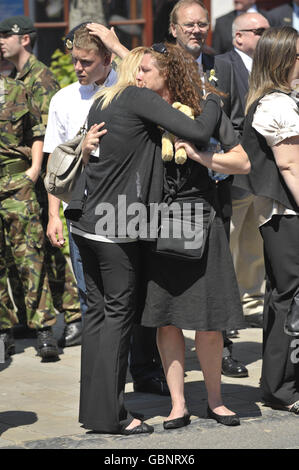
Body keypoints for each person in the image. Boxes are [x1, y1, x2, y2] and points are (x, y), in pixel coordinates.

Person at [65, 43, 245, 435]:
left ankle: (95, 412)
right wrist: (210, 97)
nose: (144, 76)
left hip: (89, 223)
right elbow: (198, 130)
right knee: (117, 319)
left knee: (98, 318)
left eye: (151, 70)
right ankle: (111, 416)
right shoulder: (137, 98)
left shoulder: (103, 99)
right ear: (134, 72)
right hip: (117, 226)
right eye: (141, 69)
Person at [136, 43, 249, 429]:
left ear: (169, 74)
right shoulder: (140, 111)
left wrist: (202, 157)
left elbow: (241, 160)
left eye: (146, 70)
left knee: (209, 318)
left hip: (201, 215)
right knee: (166, 319)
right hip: (155, 220)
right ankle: (178, 404)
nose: (138, 76)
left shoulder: (205, 108)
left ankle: (216, 401)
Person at [169, 0, 248, 378]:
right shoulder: (160, 65)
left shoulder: (223, 66)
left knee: (219, 275)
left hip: (217, 183)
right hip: (172, 191)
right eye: (189, 24)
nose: (197, 30)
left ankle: (223, 349)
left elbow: (234, 119)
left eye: (202, 24)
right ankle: (164, 365)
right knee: (170, 277)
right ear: (173, 29)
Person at [0, 15, 82, 349]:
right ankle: (29, 319)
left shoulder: (41, 78)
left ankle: (73, 315)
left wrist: (40, 175)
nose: (2, 40)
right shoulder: (17, 76)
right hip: (23, 179)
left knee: (46, 248)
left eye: (8, 35)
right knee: (31, 251)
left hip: (39, 175)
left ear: (26, 39)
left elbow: (50, 136)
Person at [233, 26, 299, 414]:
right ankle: (283, 387)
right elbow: (290, 166)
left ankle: (278, 383)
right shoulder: (276, 105)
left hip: (281, 214)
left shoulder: (281, 100)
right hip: (285, 213)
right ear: (282, 60)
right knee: (290, 297)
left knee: (283, 297)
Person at [0, 69, 58, 361]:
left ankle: (43, 329)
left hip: (16, 186)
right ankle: (2, 333)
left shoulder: (17, 89)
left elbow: (37, 133)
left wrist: (34, 170)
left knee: (30, 258)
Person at [218, 12, 270, 328]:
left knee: (254, 240)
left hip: (263, 170)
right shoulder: (223, 65)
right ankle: (227, 306)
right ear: (239, 37)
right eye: (260, 31)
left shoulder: (269, 68)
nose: (267, 36)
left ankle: (251, 302)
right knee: (231, 240)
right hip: (234, 167)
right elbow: (220, 115)